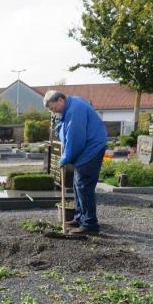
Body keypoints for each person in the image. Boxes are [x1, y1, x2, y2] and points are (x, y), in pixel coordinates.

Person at [44, 90, 108, 235]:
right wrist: (58, 120)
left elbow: (75, 138)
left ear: (60, 100)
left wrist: (65, 158)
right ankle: (80, 218)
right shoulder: (69, 107)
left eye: (53, 108)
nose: (53, 112)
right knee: (77, 184)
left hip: (91, 148)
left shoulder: (75, 109)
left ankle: (89, 224)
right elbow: (65, 131)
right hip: (88, 148)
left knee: (83, 186)